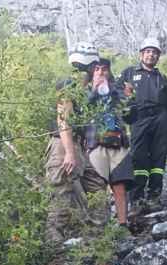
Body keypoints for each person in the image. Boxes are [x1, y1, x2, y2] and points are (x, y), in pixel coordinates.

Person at [44, 42, 109, 244]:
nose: (97, 70)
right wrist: (70, 154)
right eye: (95, 67)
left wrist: (95, 90)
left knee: (98, 189)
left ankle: (95, 250)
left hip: (78, 147)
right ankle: (55, 258)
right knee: (61, 201)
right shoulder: (67, 84)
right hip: (63, 145)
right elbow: (64, 119)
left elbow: (83, 115)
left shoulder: (82, 88)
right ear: (90, 66)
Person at [120, 37, 167, 214]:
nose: (151, 55)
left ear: (158, 56)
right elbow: (117, 96)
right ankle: (136, 200)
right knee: (139, 157)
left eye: (154, 52)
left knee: (159, 159)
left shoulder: (162, 78)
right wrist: (125, 100)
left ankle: (154, 197)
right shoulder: (129, 73)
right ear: (141, 54)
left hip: (161, 119)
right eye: (148, 51)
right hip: (139, 119)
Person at [86, 58, 134, 228]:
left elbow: (129, 115)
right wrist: (93, 91)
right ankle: (99, 229)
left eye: (104, 69)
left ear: (109, 71)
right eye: (97, 69)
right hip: (96, 145)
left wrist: (128, 97)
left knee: (120, 187)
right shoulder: (85, 91)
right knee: (97, 189)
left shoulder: (118, 91)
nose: (100, 72)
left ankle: (122, 225)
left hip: (118, 146)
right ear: (92, 72)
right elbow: (82, 113)